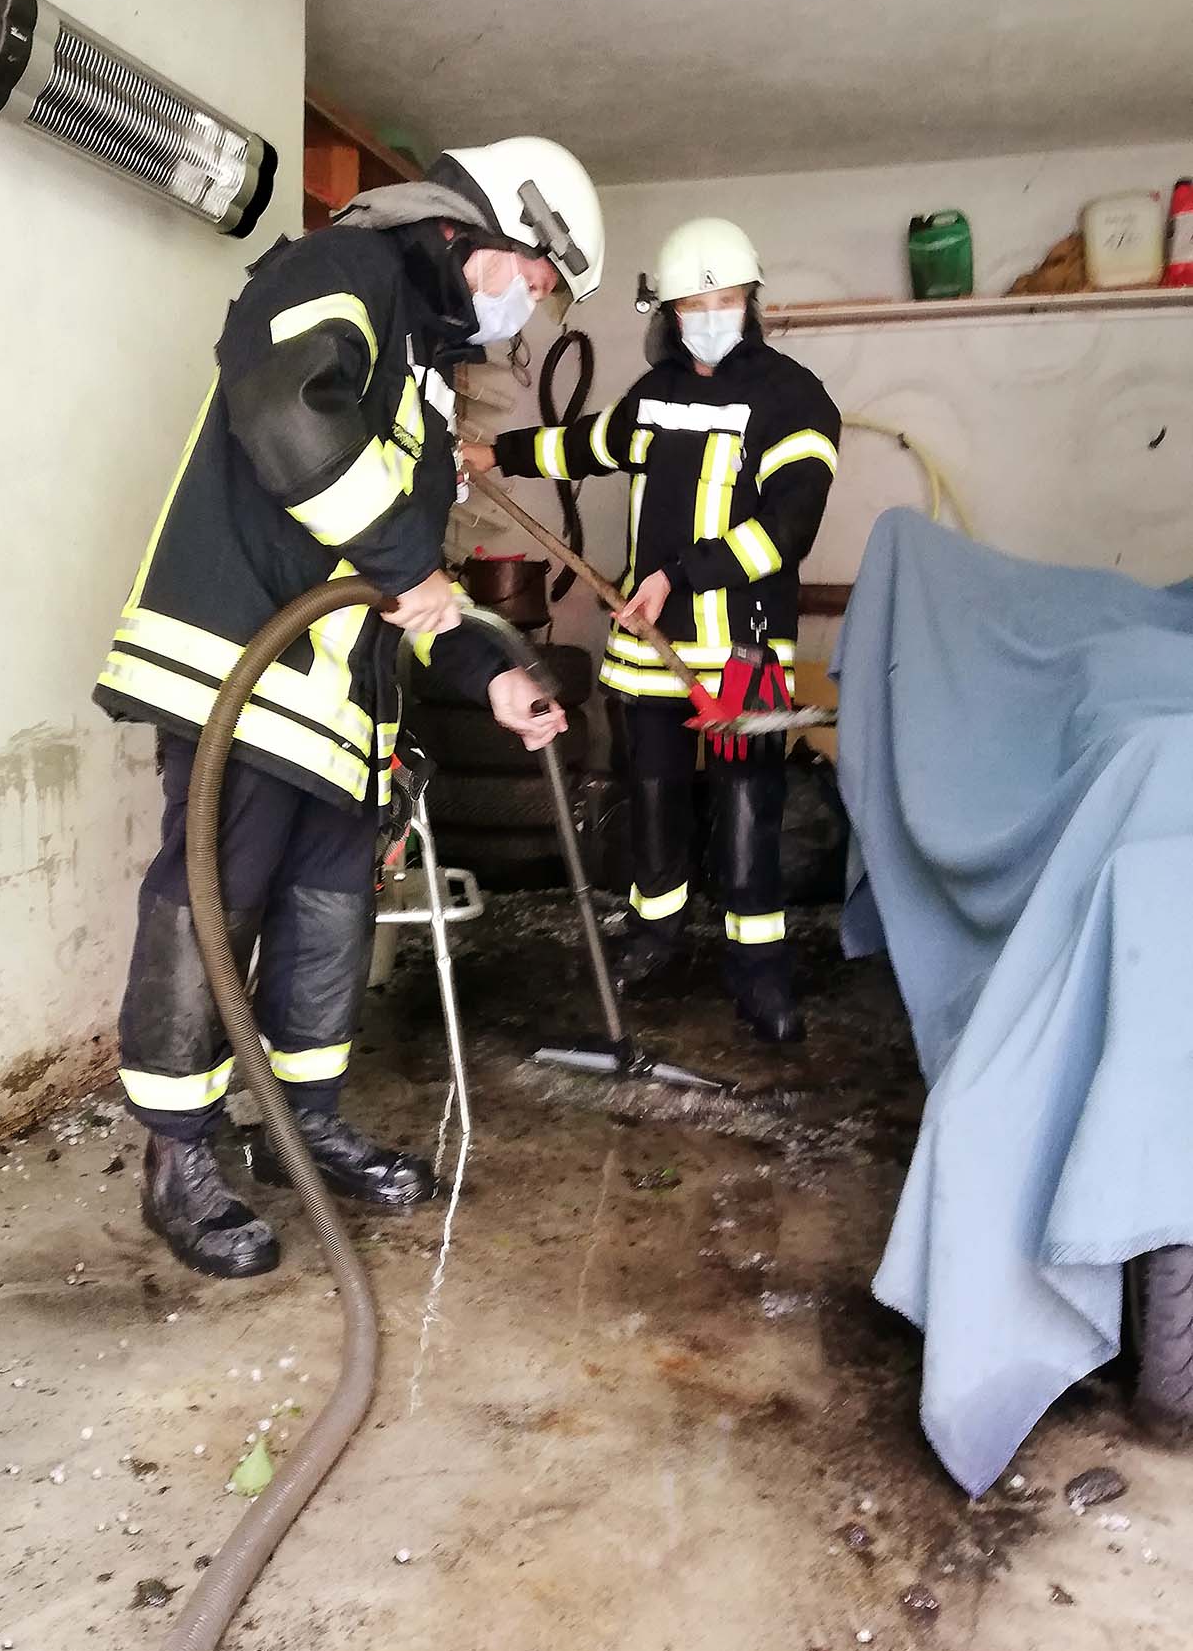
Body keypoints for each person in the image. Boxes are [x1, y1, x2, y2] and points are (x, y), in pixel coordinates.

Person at [94, 139, 605, 1276]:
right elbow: (286, 404)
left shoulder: (425, 370)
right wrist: (407, 562)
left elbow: (408, 580)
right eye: (536, 280)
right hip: (245, 675)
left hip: (339, 710)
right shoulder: (346, 267)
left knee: (328, 916)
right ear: (482, 238)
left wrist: (491, 675)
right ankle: (178, 1156)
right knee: (211, 906)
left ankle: (302, 1126)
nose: (529, 308)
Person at [462, 217, 838, 1044]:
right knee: (654, 799)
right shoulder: (654, 394)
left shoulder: (794, 399)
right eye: (694, 304)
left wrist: (681, 576)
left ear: (752, 304)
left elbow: (789, 528)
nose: (711, 317)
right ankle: (655, 935)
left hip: (741, 654)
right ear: (667, 313)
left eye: (727, 300)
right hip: (647, 655)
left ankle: (758, 968)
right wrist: (495, 455)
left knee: (749, 808)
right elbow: (585, 445)